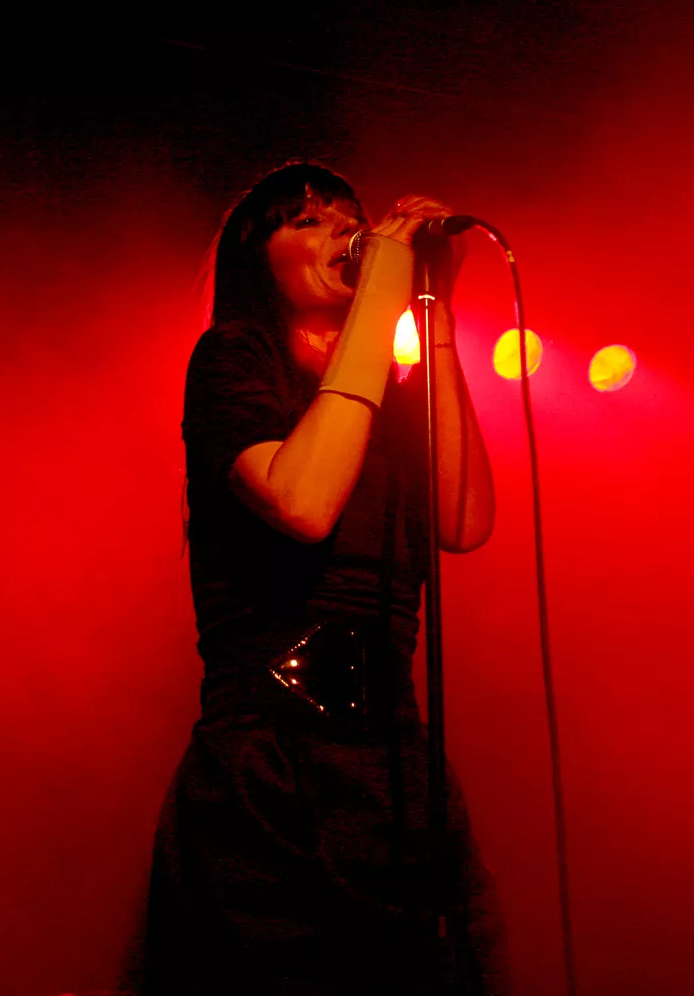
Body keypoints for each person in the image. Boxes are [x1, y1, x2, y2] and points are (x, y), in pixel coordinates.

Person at [141, 162, 504, 995]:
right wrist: (380, 292)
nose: (342, 230)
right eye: (306, 220)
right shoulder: (233, 359)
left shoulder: (392, 392)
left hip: (396, 776)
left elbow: (464, 522)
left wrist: (435, 314)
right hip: (270, 777)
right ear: (256, 260)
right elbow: (301, 503)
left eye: (348, 215)